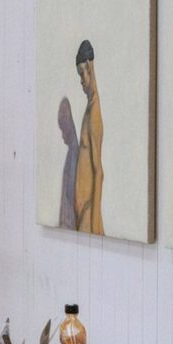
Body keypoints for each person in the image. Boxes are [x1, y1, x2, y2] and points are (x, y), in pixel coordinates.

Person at [72, 41, 104, 234]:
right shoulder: (89, 109)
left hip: (88, 214)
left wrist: (93, 223)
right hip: (82, 212)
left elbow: (99, 172)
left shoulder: (94, 114)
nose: (81, 81)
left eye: (82, 74)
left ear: (90, 70)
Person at [55, 100, 79, 230]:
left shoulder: (75, 153)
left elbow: (70, 193)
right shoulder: (71, 152)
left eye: (65, 130)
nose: (63, 136)